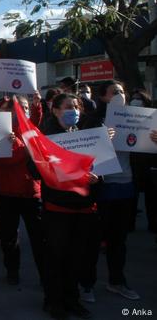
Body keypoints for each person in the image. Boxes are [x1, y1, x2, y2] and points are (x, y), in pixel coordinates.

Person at [37, 92, 99, 319]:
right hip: (58, 207)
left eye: (76, 106)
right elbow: (35, 171)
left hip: (83, 206)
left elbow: (98, 167)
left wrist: (95, 177)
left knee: (76, 256)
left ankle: (72, 299)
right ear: (55, 110)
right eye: (67, 106)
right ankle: (53, 301)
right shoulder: (46, 138)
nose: (73, 110)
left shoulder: (85, 136)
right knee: (56, 256)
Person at [79, 80, 141, 301]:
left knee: (118, 240)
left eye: (122, 91)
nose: (120, 95)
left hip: (126, 186)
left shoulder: (136, 119)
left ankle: (117, 281)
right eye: (115, 92)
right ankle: (87, 284)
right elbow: (84, 151)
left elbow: (142, 150)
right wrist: (103, 136)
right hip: (103, 187)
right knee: (94, 240)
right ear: (104, 97)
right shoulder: (93, 120)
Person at [0, 97, 44, 286]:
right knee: (9, 237)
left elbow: (37, 124)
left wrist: (37, 105)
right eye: (18, 108)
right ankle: (12, 271)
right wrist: (25, 151)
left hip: (31, 192)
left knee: (39, 237)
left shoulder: (32, 130)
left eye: (26, 108)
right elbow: (2, 160)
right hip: (5, 192)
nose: (23, 112)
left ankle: (47, 275)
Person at [128, 90, 157, 233]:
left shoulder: (154, 117)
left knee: (152, 197)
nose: (135, 101)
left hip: (151, 163)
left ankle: (153, 225)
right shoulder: (124, 117)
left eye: (139, 99)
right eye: (133, 98)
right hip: (133, 162)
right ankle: (129, 224)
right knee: (132, 196)